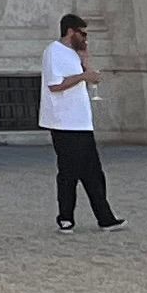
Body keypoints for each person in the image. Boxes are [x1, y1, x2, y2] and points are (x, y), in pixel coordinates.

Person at [42, 15, 121, 232]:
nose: (85, 38)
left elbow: (90, 77)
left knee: (93, 172)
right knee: (68, 172)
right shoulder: (53, 52)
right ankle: (65, 217)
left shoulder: (74, 54)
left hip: (81, 122)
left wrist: (86, 60)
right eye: (82, 33)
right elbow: (55, 85)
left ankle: (105, 217)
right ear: (70, 31)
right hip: (63, 122)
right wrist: (83, 76)